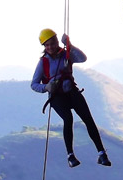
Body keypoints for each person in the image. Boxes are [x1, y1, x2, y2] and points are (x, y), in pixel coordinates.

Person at [31, 28, 111, 168]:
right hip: (56, 96)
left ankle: (101, 153)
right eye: (47, 45)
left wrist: (70, 45)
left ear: (57, 42)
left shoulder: (66, 54)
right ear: (44, 46)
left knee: (88, 119)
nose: (50, 47)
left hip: (71, 91)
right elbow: (34, 84)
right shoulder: (43, 63)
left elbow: (82, 58)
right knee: (68, 119)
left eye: (52, 43)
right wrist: (46, 87)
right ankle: (70, 155)